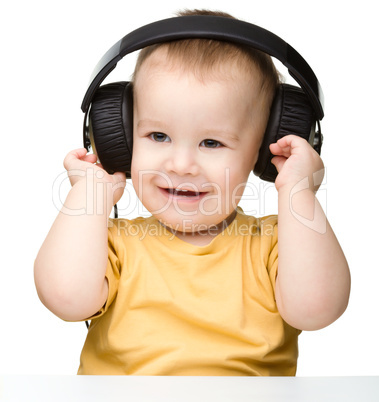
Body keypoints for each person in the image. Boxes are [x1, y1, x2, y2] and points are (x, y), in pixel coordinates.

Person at [34, 9, 350, 376]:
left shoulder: (278, 244)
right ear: (120, 139)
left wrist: (298, 193)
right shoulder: (110, 244)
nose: (181, 164)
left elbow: (317, 310)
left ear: (264, 151)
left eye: (212, 142)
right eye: (158, 136)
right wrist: (89, 195)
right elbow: (65, 300)